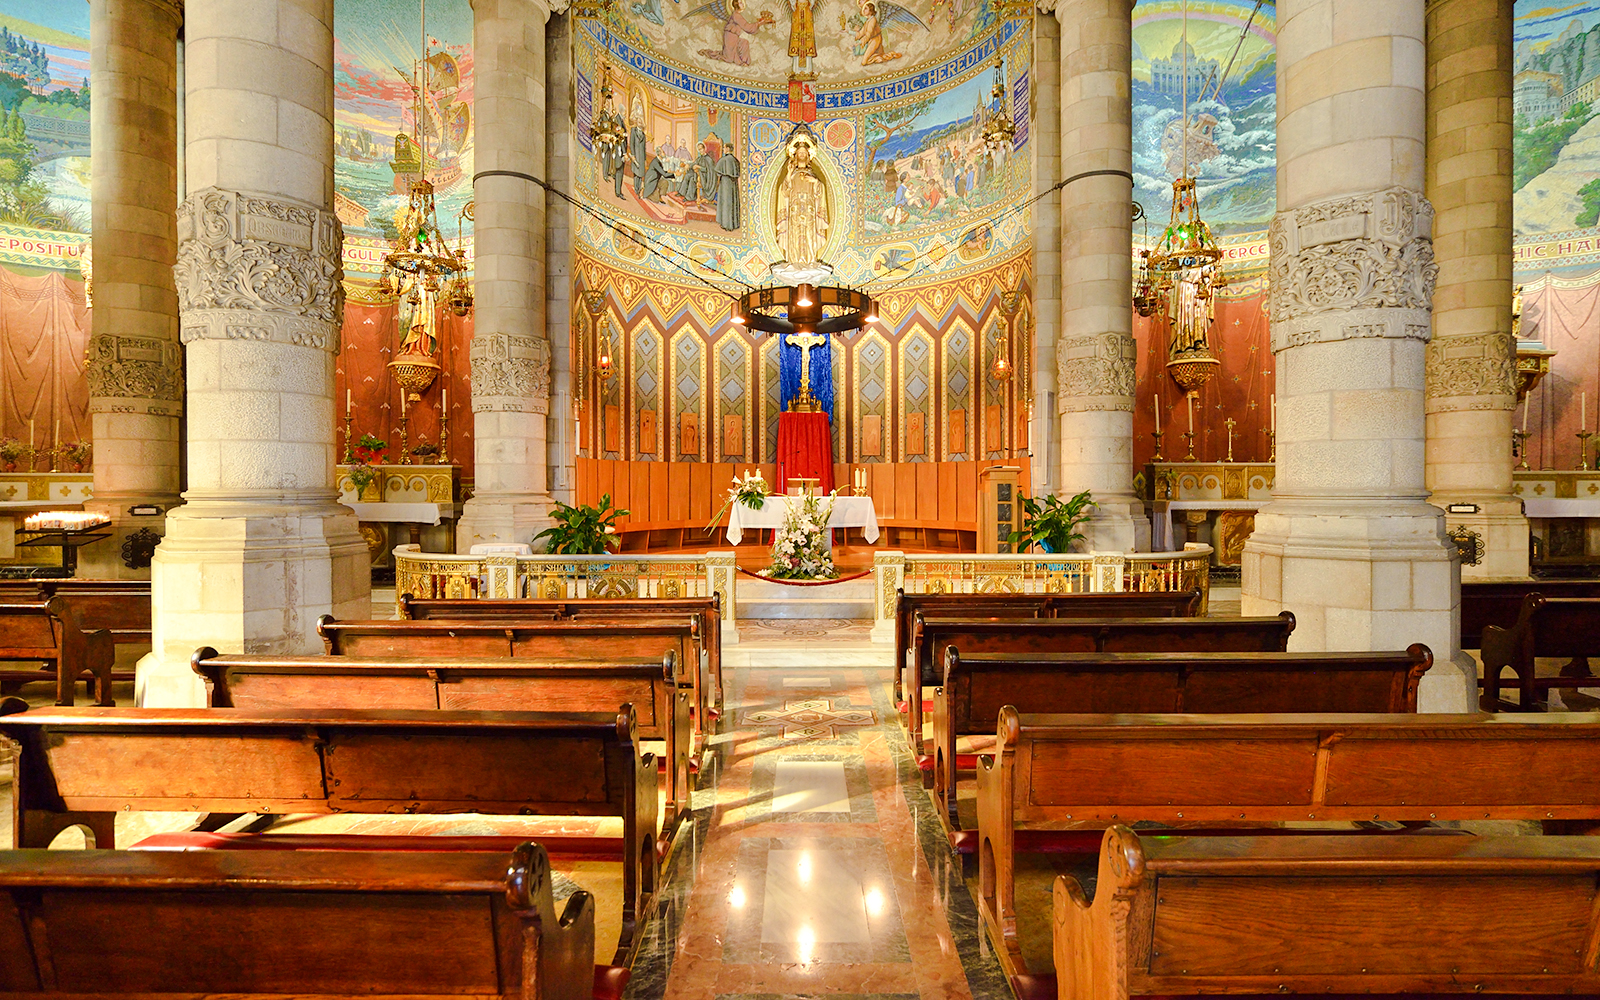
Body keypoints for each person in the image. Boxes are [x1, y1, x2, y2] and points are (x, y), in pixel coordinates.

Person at [775, 133, 828, 263]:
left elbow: (819, 194)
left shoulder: (812, 175)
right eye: (800, 154)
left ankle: (810, 261)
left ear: (808, 157)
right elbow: (785, 191)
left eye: (804, 154)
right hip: (795, 213)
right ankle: (793, 261)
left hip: (809, 213)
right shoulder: (792, 175)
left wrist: (815, 183)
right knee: (794, 237)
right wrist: (788, 173)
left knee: (810, 237)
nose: (802, 156)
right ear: (796, 156)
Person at [715, 147, 741, 230]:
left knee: (726, 202)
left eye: (724, 148)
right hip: (733, 184)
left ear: (727, 149)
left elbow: (717, 171)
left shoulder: (723, 160)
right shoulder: (735, 160)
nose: (723, 149)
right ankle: (734, 224)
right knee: (732, 201)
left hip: (725, 183)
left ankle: (726, 224)